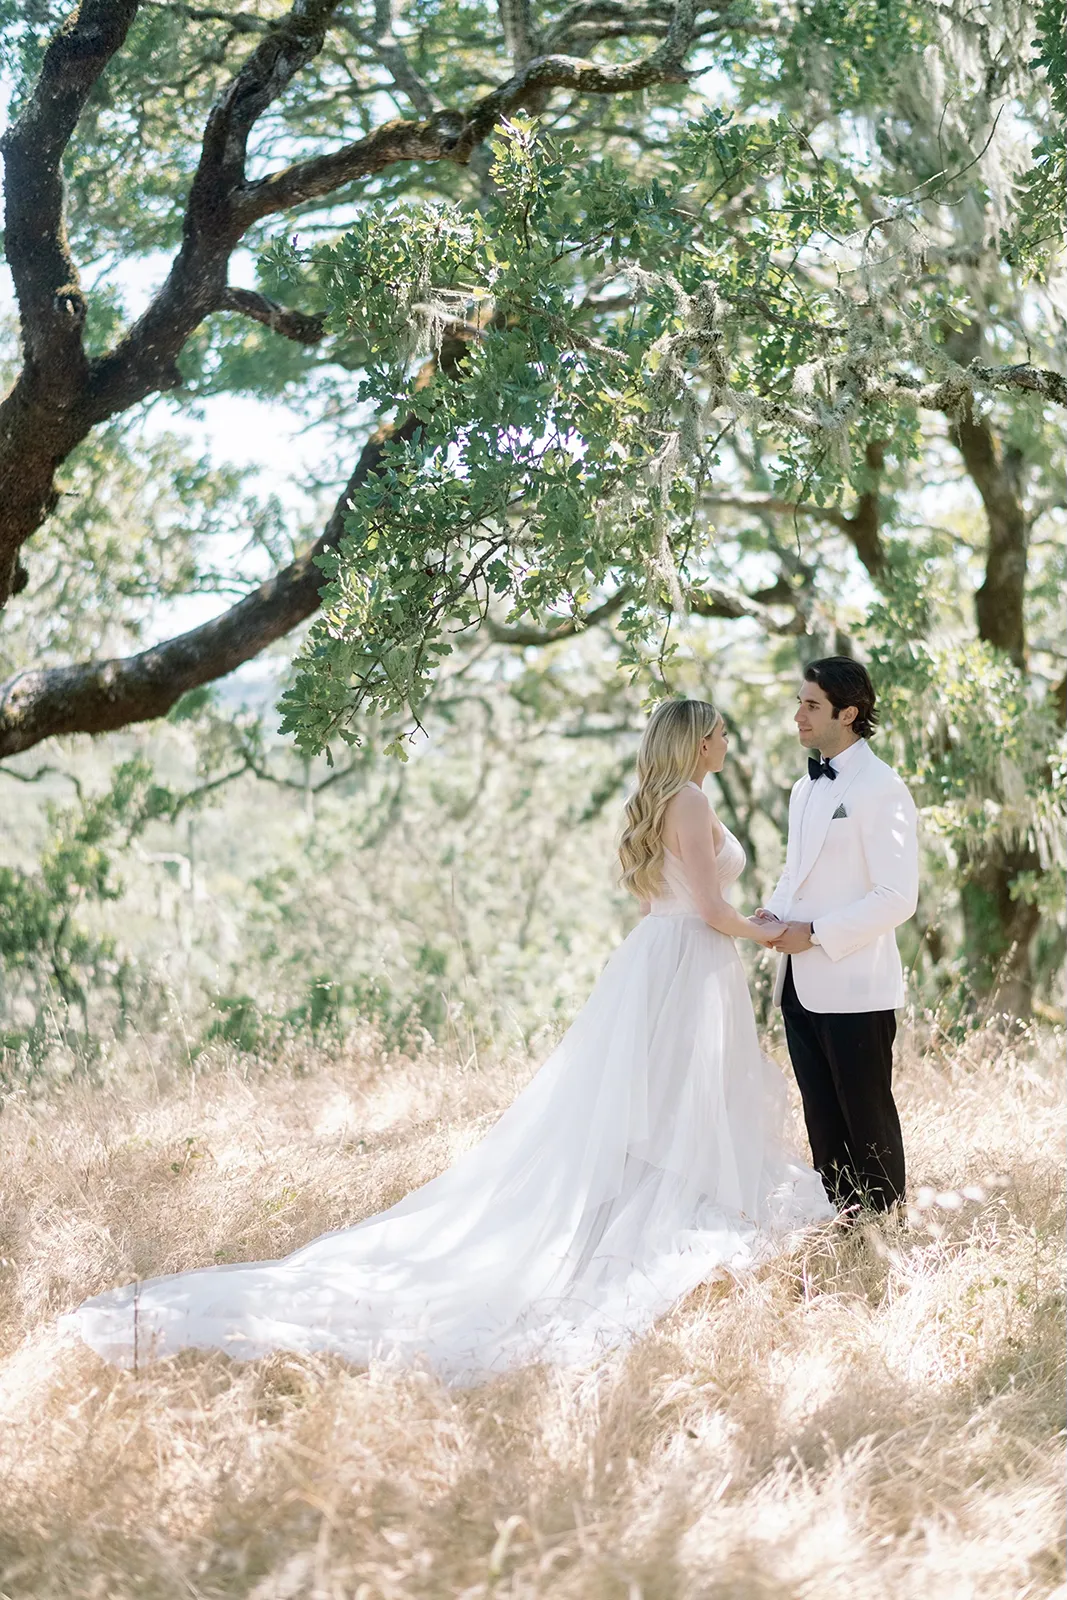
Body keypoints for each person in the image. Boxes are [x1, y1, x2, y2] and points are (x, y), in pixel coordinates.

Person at [61, 699, 833, 1383]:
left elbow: (658, 904)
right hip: (687, 958)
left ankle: (648, 1204)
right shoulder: (692, 801)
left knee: (657, 1096)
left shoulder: (656, 800)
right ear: (695, 742)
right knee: (675, 1095)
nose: (727, 738)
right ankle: (654, 1215)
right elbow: (704, 905)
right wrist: (776, 934)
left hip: (661, 962)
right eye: (719, 731)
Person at [758, 658, 918, 1214]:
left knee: (867, 1118)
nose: (797, 715)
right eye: (799, 702)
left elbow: (898, 897)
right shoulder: (805, 788)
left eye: (811, 705)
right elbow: (793, 873)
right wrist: (773, 916)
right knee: (821, 1119)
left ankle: (886, 1238)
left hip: (855, 986)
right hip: (798, 985)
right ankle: (845, 1229)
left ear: (848, 713)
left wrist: (817, 934)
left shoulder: (882, 787)